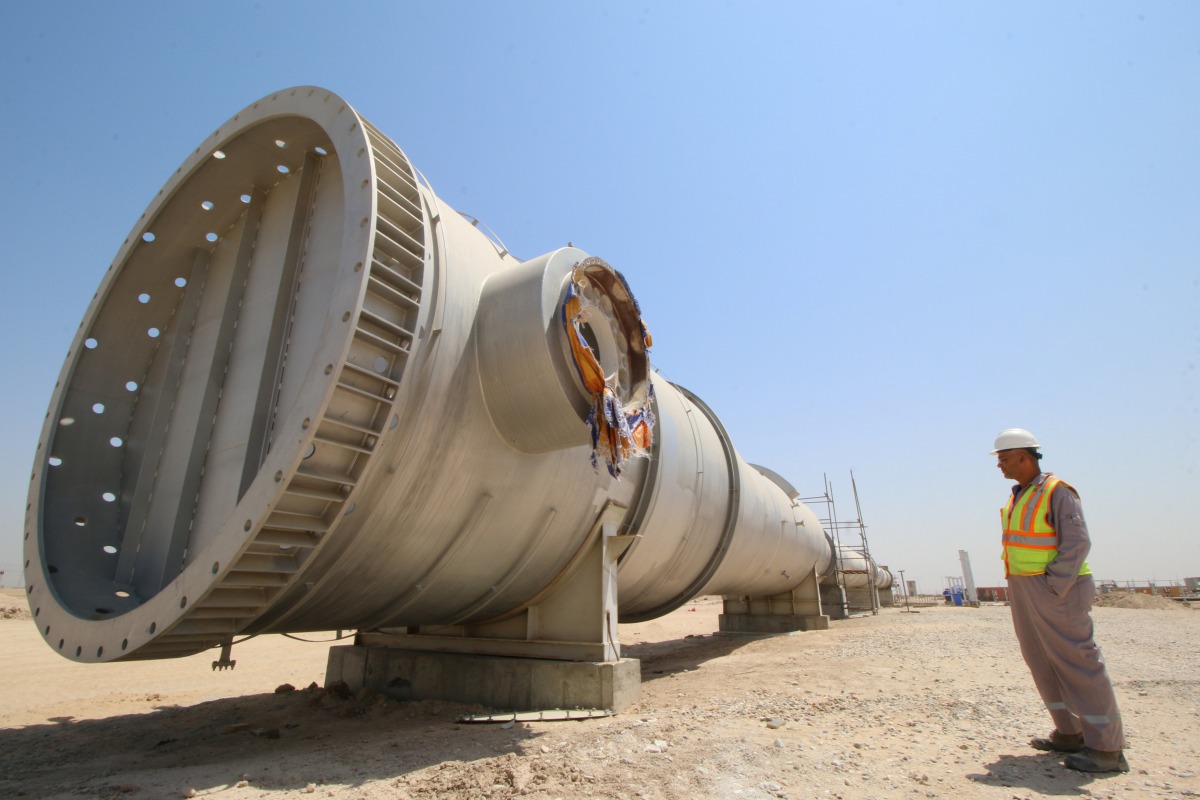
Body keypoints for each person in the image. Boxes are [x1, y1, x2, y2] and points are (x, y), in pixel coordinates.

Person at [992, 428, 1129, 774]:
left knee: (1078, 663)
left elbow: (1077, 542)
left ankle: (1107, 749)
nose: (1000, 466)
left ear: (1024, 456)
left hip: (1057, 588)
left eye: (1004, 459)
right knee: (1041, 661)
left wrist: (1054, 586)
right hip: (1024, 587)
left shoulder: (1057, 492)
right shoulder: (1018, 495)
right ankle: (1069, 733)